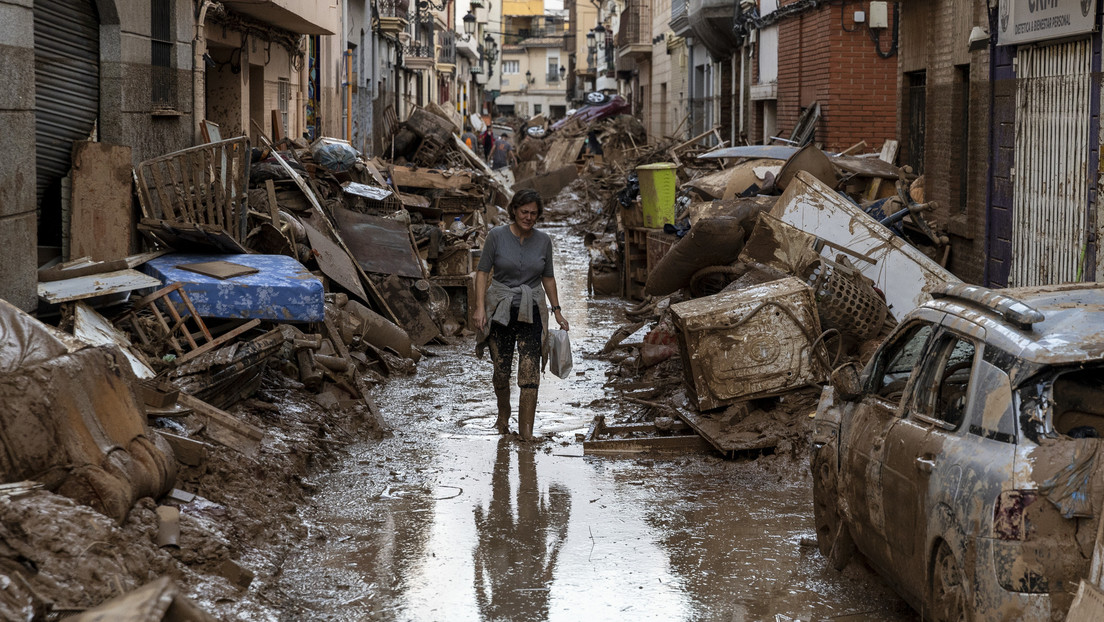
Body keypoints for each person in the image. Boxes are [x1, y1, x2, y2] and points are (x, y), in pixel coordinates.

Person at [473, 189, 569, 441]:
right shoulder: (496, 236)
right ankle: (503, 413)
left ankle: (526, 432)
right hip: (500, 311)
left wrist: (557, 311)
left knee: (529, 373)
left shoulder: (543, 241)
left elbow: (548, 277)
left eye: (533, 213)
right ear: (514, 210)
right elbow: (482, 272)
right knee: (501, 371)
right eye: (524, 212)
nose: (528, 217)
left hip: (532, 310)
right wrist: (480, 307)